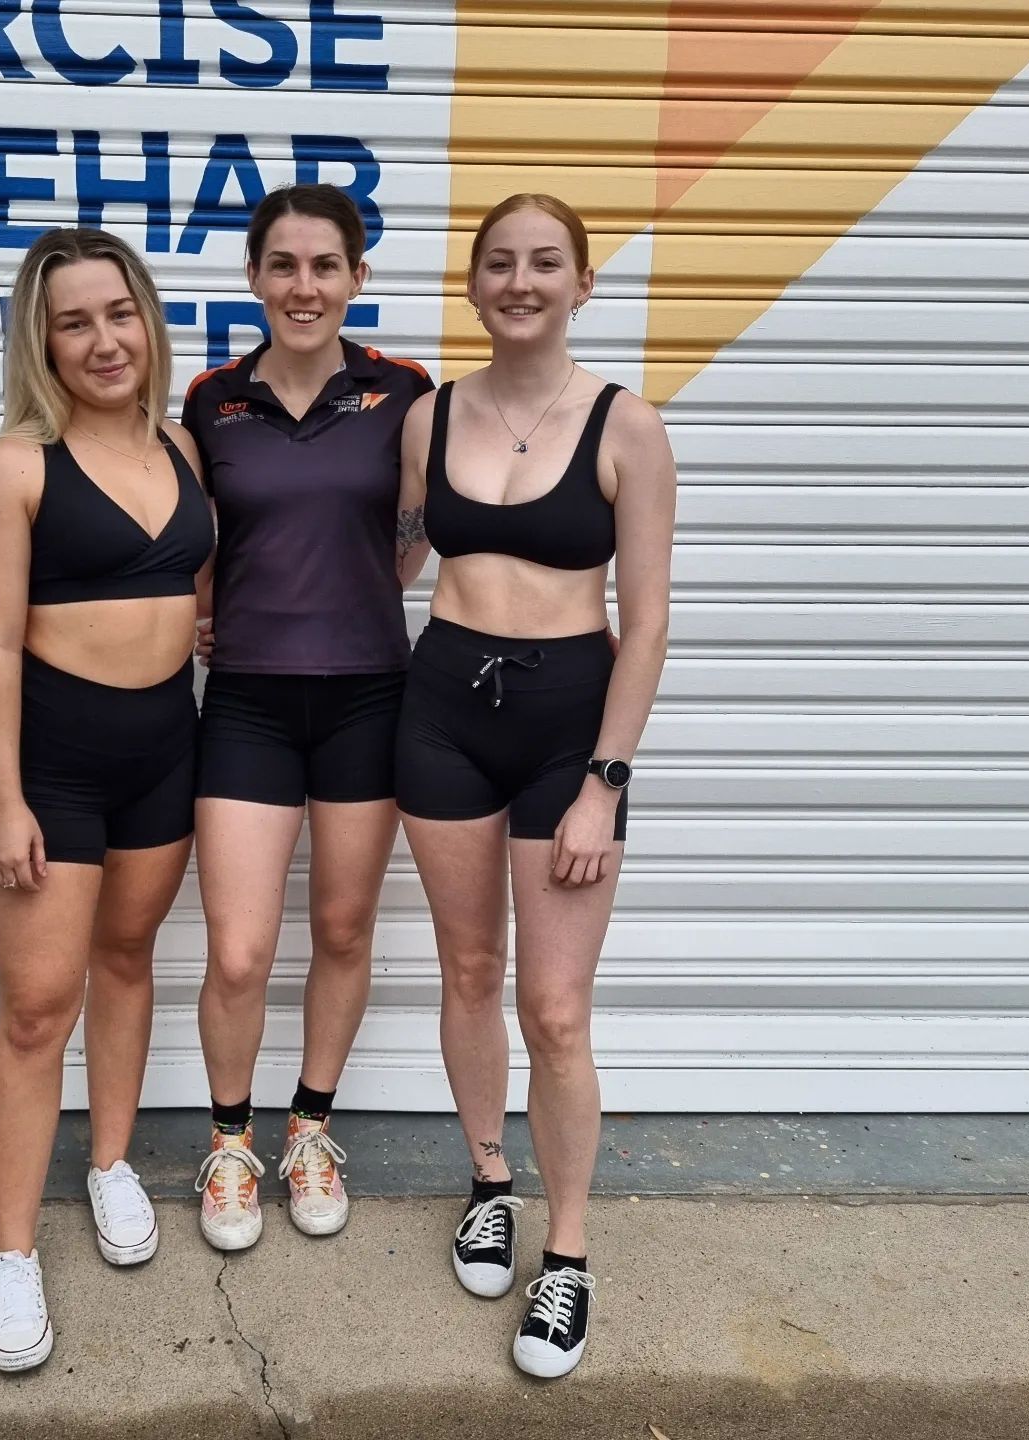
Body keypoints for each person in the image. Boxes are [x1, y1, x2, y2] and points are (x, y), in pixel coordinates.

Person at [393, 193, 676, 1378]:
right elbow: (394, 553)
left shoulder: (627, 426)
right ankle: (488, 1181)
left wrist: (606, 782)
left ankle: (566, 1255)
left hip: (571, 732)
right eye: (500, 263)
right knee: (468, 969)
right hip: (442, 709)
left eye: (545, 263)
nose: (522, 281)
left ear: (582, 283)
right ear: (473, 285)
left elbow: (649, 621)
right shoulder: (428, 416)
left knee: (555, 1010)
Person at [0, 227, 213, 1371]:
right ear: (42, 341)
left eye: (119, 313)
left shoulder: (184, 450)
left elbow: (189, 591)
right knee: (33, 1009)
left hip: (169, 747)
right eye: (75, 322)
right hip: (55, 763)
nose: (104, 339)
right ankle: (12, 1254)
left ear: (146, 320)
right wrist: (4, 799)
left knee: (126, 962)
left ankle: (109, 1163)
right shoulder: (13, 467)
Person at [181, 184, 433, 1250]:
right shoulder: (210, 400)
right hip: (246, 700)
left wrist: (360, 596)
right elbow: (191, 542)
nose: (303, 285)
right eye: (282, 264)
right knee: (238, 952)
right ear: (252, 277)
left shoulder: (406, 391)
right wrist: (202, 614)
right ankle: (231, 1144)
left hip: (369, 696)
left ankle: (311, 1127)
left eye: (325, 265)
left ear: (357, 278)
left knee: (339, 928)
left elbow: (417, 528)